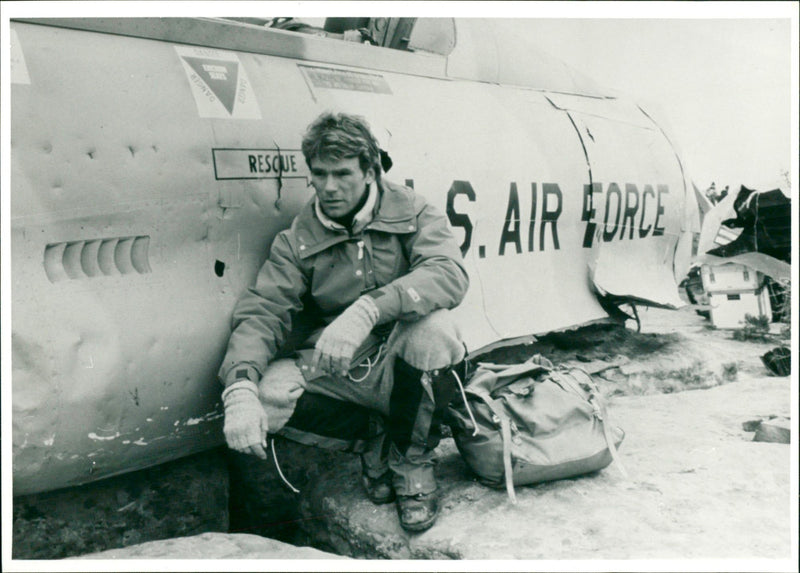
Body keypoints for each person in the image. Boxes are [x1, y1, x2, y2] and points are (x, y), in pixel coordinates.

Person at [217, 111, 470, 532]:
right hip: (342, 367)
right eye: (319, 174)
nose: (329, 187)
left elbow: (448, 273)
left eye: (343, 173)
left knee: (436, 334)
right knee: (263, 397)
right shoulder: (298, 238)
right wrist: (239, 384)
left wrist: (369, 309)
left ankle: (412, 468)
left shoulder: (413, 211)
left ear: (370, 170)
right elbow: (264, 310)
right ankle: (374, 440)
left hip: (400, 361)